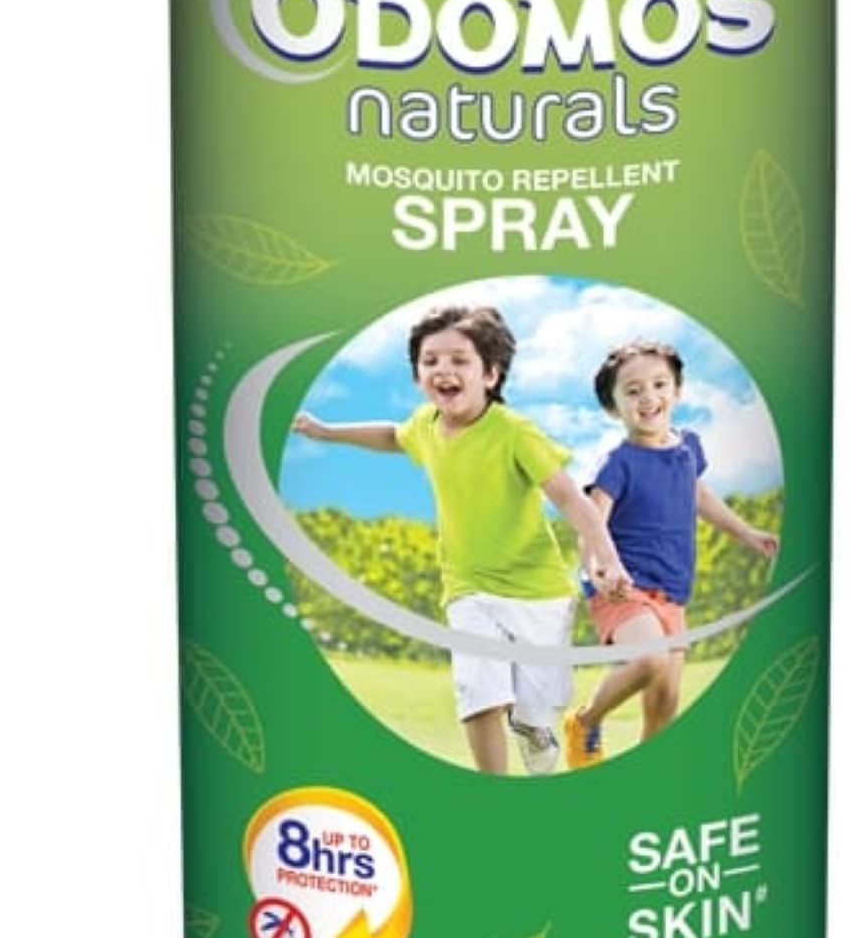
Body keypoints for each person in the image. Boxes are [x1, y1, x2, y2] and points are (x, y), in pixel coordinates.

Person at [292, 303, 627, 775]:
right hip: (467, 586)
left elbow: (571, 499)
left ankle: (532, 726)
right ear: (417, 376)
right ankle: (493, 791)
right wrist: (327, 432)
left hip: (539, 591)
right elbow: (393, 436)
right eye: (429, 361)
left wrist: (606, 559)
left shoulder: (514, 433)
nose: (442, 370)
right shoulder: (426, 425)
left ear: (490, 374)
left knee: (539, 704)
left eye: (458, 360)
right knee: (479, 690)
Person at [563, 339, 780, 767]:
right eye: (633, 391)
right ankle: (585, 722)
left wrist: (746, 532)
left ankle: (647, 779)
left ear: (677, 391)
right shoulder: (616, 463)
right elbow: (592, 523)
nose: (648, 397)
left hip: (672, 590)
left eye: (660, 384)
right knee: (649, 659)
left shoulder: (688, 448)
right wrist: (598, 569)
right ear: (613, 408)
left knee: (664, 703)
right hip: (623, 587)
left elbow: (698, 496)